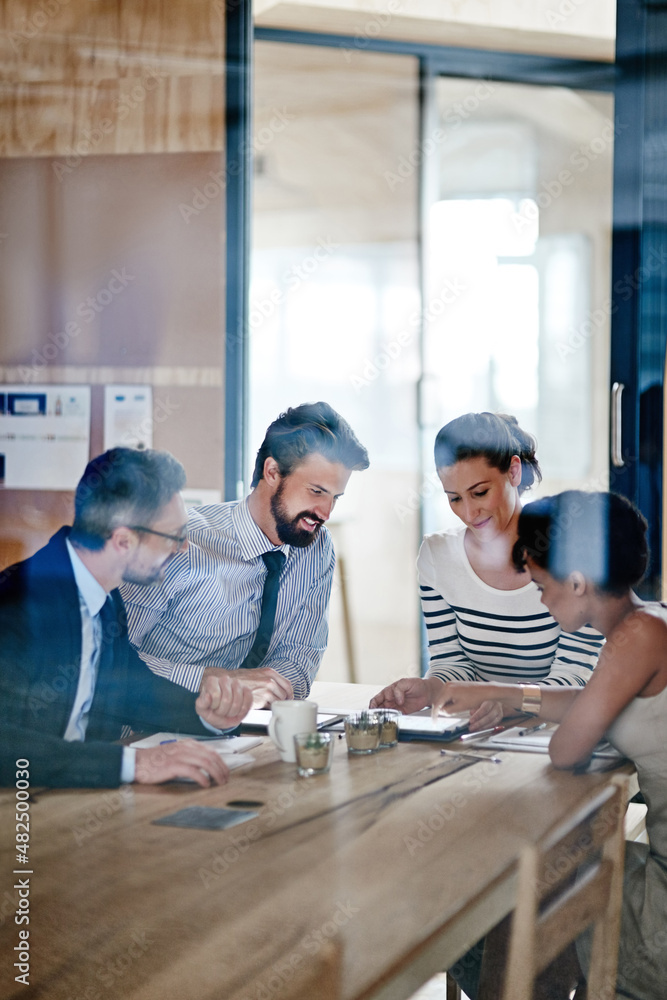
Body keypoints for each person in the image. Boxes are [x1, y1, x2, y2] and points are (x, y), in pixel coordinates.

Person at [435, 490, 667, 1000]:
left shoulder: (634, 638)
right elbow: (596, 700)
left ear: (578, 582)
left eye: (541, 585)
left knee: (508, 885)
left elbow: (566, 750)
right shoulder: (651, 620)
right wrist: (503, 695)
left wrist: (517, 702)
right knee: (547, 873)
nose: (540, 600)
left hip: (661, 921)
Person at [0, 448, 252, 789]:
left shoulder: (105, 597)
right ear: (122, 540)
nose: (183, 548)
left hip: (70, 801)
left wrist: (206, 715)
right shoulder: (17, 604)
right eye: (174, 537)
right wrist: (133, 763)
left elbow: (134, 688)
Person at [121, 402, 369, 706]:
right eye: (316, 492)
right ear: (272, 471)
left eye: (335, 498)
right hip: (144, 724)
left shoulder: (316, 548)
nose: (326, 513)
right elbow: (113, 660)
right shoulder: (178, 541)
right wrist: (218, 684)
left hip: (241, 730)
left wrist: (263, 691)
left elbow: (299, 656)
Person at [371, 412, 603, 730]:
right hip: (480, 732)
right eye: (454, 498)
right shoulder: (438, 557)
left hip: (564, 733)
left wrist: (508, 703)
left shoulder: (571, 554)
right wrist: (432, 690)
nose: (469, 512)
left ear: (514, 471)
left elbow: (575, 677)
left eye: (480, 493)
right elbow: (452, 661)